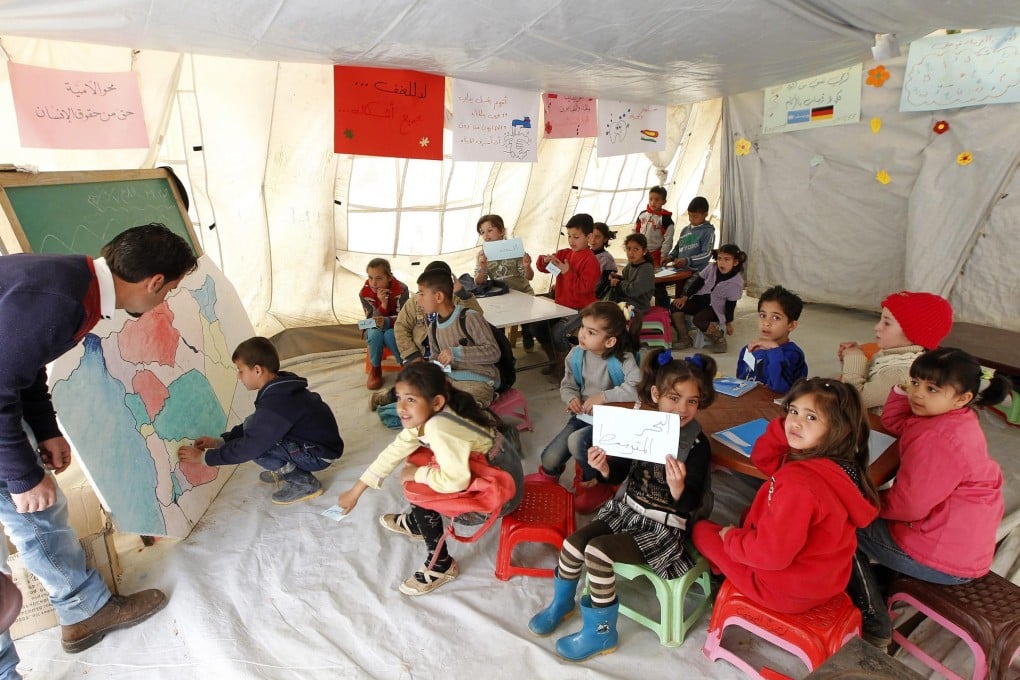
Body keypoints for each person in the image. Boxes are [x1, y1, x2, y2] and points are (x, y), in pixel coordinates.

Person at [0, 223, 196, 673]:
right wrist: (22, 475)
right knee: (35, 510)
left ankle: (77, 611)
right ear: (154, 283)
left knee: (29, 515)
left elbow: (22, 365)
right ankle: (82, 611)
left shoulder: (74, 283)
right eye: (170, 291)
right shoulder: (62, 300)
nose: (163, 302)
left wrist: (46, 428)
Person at [528, 349, 716, 661]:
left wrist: (679, 487)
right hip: (627, 510)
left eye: (692, 401)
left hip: (663, 526)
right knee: (574, 543)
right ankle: (562, 603)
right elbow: (619, 473)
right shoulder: (642, 427)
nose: (682, 408)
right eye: (674, 397)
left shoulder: (697, 444)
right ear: (655, 394)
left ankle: (601, 633)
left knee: (598, 551)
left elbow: (693, 501)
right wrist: (602, 468)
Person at [846, 348, 1009, 648]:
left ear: (962, 399)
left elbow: (909, 505)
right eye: (915, 382)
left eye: (931, 389)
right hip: (956, 546)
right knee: (861, 507)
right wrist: (899, 390)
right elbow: (896, 424)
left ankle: (874, 618)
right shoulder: (951, 418)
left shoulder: (939, 440)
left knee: (843, 521)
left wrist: (862, 503)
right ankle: (881, 576)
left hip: (942, 559)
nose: (918, 394)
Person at [693, 378, 880, 614]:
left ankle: (723, 575)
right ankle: (732, 564)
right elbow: (763, 459)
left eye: (811, 417)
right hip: (821, 583)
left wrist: (730, 538)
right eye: (793, 411)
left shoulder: (800, 484)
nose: (796, 422)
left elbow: (771, 555)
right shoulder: (834, 465)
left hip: (781, 590)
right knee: (746, 516)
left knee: (701, 531)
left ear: (840, 429)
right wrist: (790, 426)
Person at [337, 362, 519, 596]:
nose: (401, 407)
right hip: (498, 469)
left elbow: (456, 481)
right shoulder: (432, 414)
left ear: (436, 402)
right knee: (414, 457)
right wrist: (356, 491)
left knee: (415, 486)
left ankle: (441, 565)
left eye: (411, 399)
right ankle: (417, 522)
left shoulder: (439, 426)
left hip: (499, 494)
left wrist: (418, 474)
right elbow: (393, 451)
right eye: (399, 397)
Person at [177, 337, 344, 505]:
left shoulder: (278, 402)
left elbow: (250, 446)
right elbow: (257, 423)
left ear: (257, 370)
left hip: (317, 455)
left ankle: (304, 483)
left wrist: (206, 458)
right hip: (318, 446)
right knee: (253, 426)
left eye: (240, 370)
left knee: (257, 448)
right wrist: (220, 442)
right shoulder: (280, 387)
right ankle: (288, 467)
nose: (238, 376)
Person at [526, 302, 640, 512]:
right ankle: (549, 478)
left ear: (610, 341)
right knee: (549, 459)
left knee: (576, 441)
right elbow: (568, 385)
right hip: (584, 416)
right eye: (582, 328)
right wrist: (571, 398)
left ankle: (597, 483)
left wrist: (603, 396)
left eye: (591, 332)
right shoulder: (576, 355)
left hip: (614, 421)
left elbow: (636, 387)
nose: (582, 335)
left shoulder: (623, 359)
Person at [375, 260, 482, 411]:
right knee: (417, 382)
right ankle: (391, 396)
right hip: (420, 356)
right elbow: (400, 326)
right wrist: (412, 356)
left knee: (437, 389)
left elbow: (478, 318)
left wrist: (463, 294)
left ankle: (395, 398)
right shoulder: (416, 302)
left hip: (447, 360)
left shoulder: (456, 300)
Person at [838, 291, 953, 412]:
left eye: (887, 323)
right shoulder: (895, 355)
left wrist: (855, 359)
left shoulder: (902, 372)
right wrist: (850, 361)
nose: (877, 327)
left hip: (873, 428)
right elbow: (869, 380)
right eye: (880, 320)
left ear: (913, 334)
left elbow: (851, 401)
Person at [419, 269, 501, 409]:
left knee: (460, 410)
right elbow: (434, 357)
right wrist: (433, 366)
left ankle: (495, 427)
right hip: (450, 381)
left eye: (421, 294)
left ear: (438, 297)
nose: (418, 299)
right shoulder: (433, 327)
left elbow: (494, 352)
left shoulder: (470, 317)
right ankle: (387, 398)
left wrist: (456, 353)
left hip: (480, 381)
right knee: (422, 402)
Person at [534, 213, 601, 380]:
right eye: (569, 236)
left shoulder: (591, 261)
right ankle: (554, 361)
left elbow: (584, 289)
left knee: (557, 333)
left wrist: (567, 272)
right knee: (538, 326)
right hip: (561, 306)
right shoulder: (565, 253)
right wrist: (544, 260)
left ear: (589, 237)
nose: (571, 240)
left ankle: (565, 369)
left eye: (576, 237)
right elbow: (544, 268)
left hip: (582, 309)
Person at [473, 214, 536, 351]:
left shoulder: (515, 249)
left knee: (529, 323)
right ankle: (502, 349)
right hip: (500, 296)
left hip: (523, 294)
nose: (486, 235)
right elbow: (478, 282)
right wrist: (483, 267)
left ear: (501, 231)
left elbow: (529, 277)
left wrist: (527, 266)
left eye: (490, 230)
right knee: (495, 322)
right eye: (482, 232)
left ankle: (527, 334)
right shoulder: (482, 254)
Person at [670, 244, 746, 353]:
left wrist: (728, 323)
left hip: (716, 309)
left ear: (736, 262)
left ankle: (719, 340)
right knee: (675, 305)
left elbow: (731, 304)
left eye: (726, 259)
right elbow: (698, 282)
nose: (721, 262)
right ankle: (684, 338)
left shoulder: (736, 282)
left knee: (699, 319)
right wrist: (685, 297)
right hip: (700, 301)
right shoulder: (711, 268)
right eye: (719, 258)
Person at [736, 285, 807, 393]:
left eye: (776, 317)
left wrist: (774, 349)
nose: (766, 323)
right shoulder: (748, 350)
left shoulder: (793, 354)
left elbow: (781, 388)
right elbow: (740, 384)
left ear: (791, 325)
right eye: (762, 315)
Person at [359, 258, 409, 390]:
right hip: (375, 327)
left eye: (379, 278)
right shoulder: (364, 293)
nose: (373, 283)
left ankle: (405, 367)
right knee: (375, 334)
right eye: (370, 278)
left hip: (395, 327)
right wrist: (382, 306)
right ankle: (375, 369)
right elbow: (366, 323)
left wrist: (387, 321)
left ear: (389, 277)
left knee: (389, 335)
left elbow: (405, 318)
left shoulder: (402, 289)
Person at [658, 196, 715, 308]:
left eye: (695, 216)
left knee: (687, 291)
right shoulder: (685, 230)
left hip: (698, 270)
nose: (691, 219)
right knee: (661, 286)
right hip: (680, 269)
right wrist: (670, 257)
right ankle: (665, 313)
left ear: (705, 214)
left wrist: (687, 260)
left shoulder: (708, 232)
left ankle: (684, 316)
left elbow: (707, 254)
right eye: (689, 215)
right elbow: (677, 248)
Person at [607, 233, 654, 315]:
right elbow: (628, 281)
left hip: (638, 306)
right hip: (627, 301)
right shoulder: (630, 265)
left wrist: (618, 283)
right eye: (628, 249)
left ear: (644, 251)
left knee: (610, 314)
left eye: (636, 249)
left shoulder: (646, 268)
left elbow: (635, 290)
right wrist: (618, 278)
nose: (631, 253)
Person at [634, 186, 674, 268]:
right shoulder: (642, 215)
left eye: (657, 200)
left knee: (653, 276)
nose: (653, 202)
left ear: (664, 202)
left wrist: (663, 255)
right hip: (640, 252)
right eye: (650, 199)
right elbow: (636, 232)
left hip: (655, 255)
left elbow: (668, 240)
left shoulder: (665, 219)